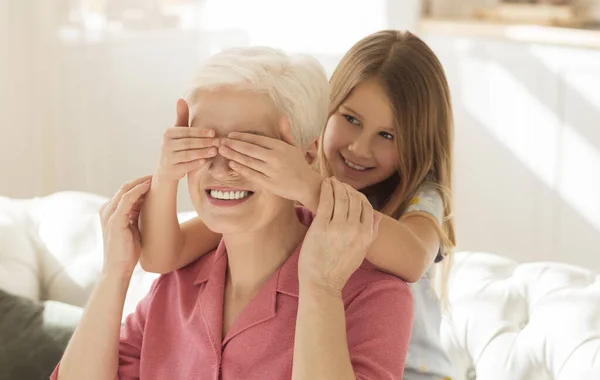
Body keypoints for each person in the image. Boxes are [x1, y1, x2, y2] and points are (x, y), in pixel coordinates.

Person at [50, 46, 414, 380]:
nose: (221, 169)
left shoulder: (375, 296)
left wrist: (320, 290)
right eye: (202, 145)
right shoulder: (177, 284)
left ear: (306, 155)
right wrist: (114, 273)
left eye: (249, 148)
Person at [140, 30, 457, 380]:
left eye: (388, 136)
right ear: (323, 115)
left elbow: (412, 258)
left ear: (418, 143)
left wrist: (307, 185)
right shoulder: (283, 190)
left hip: (414, 370)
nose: (359, 148)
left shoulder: (422, 196)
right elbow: (161, 257)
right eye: (350, 120)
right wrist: (167, 174)